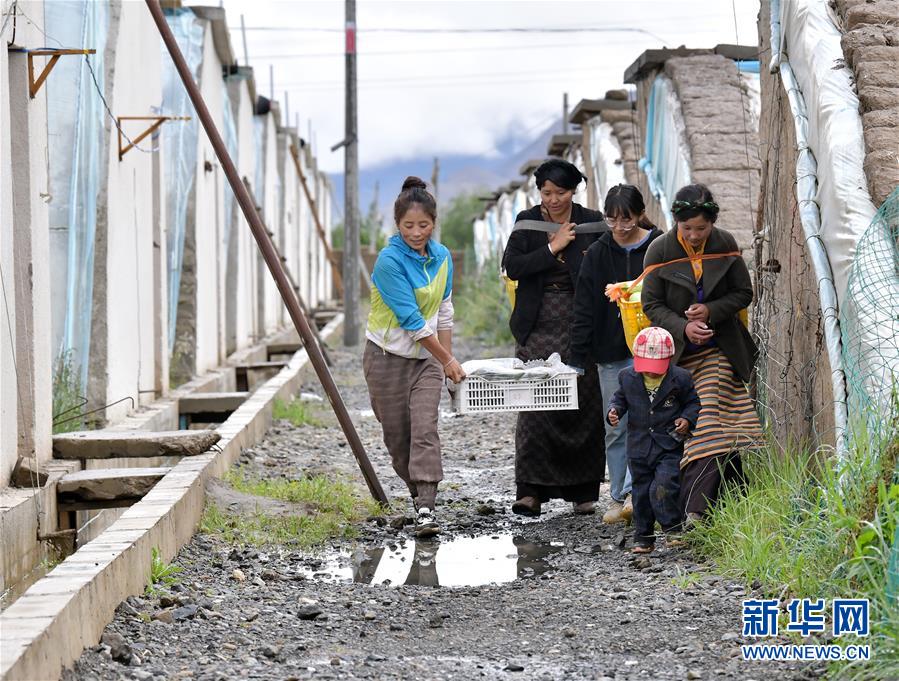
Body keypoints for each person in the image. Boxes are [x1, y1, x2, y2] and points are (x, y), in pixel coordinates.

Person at [641, 183, 764, 523]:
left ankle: (694, 509)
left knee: (705, 417)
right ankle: (735, 496)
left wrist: (710, 310)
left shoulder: (724, 244)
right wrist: (683, 327)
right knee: (713, 427)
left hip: (720, 349)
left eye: (702, 228)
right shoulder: (659, 250)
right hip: (679, 355)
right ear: (675, 222)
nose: (694, 236)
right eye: (687, 228)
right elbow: (651, 304)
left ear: (713, 223)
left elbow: (743, 293)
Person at [363, 177, 466, 538]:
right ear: (397, 224)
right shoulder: (388, 262)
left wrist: (446, 361)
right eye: (408, 225)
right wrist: (448, 360)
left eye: (424, 225)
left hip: (426, 361)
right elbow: (412, 322)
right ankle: (414, 492)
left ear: (434, 223)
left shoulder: (442, 257)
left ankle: (426, 507)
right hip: (385, 359)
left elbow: (445, 311)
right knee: (398, 439)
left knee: (425, 428)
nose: (416, 232)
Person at [502, 159, 605, 516]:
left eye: (560, 192)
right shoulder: (528, 223)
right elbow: (513, 266)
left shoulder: (592, 222)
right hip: (537, 324)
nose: (553, 199)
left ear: (573, 191)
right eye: (546, 192)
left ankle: (583, 492)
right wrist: (551, 248)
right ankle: (530, 491)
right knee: (535, 404)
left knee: (583, 403)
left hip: (581, 324)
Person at [570, 184, 663, 524]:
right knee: (616, 423)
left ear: (640, 215)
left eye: (627, 219)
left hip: (654, 349)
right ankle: (619, 495)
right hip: (610, 351)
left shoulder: (658, 246)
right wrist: (577, 356)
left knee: (651, 420)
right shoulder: (598, 253)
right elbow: (584, 306)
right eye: (612, 220)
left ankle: (642, 493)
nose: (620, 227)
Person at [607, 327, 700, 553]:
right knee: (640, 493)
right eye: (646, 367)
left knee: (664, 486)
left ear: (669, 360)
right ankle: (643, 537)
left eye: (656, 368)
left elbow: (693, 403)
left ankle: (672, 529)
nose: (651, 373)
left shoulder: (681, 378)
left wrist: (687, 419)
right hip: (638, 447)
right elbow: (619, 399)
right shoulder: (627, 377)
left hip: (668, 445)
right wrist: (614, 411)